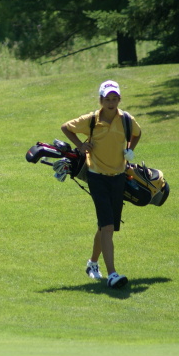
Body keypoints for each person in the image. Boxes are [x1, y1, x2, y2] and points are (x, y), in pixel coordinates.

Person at [61, 80, 142, 289]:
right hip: (97, 177)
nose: (111, 103)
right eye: (107, 99)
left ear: (119, 99)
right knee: (107, 227)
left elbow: (137, 133)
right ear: (101, 100)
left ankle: (92, 263)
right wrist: (80, 145)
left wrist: (130, 149)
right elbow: (66, 128)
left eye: (115, 99)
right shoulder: (91, 120)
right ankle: (112, 274)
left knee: (106, 226)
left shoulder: (126, 120)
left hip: (118, 177)